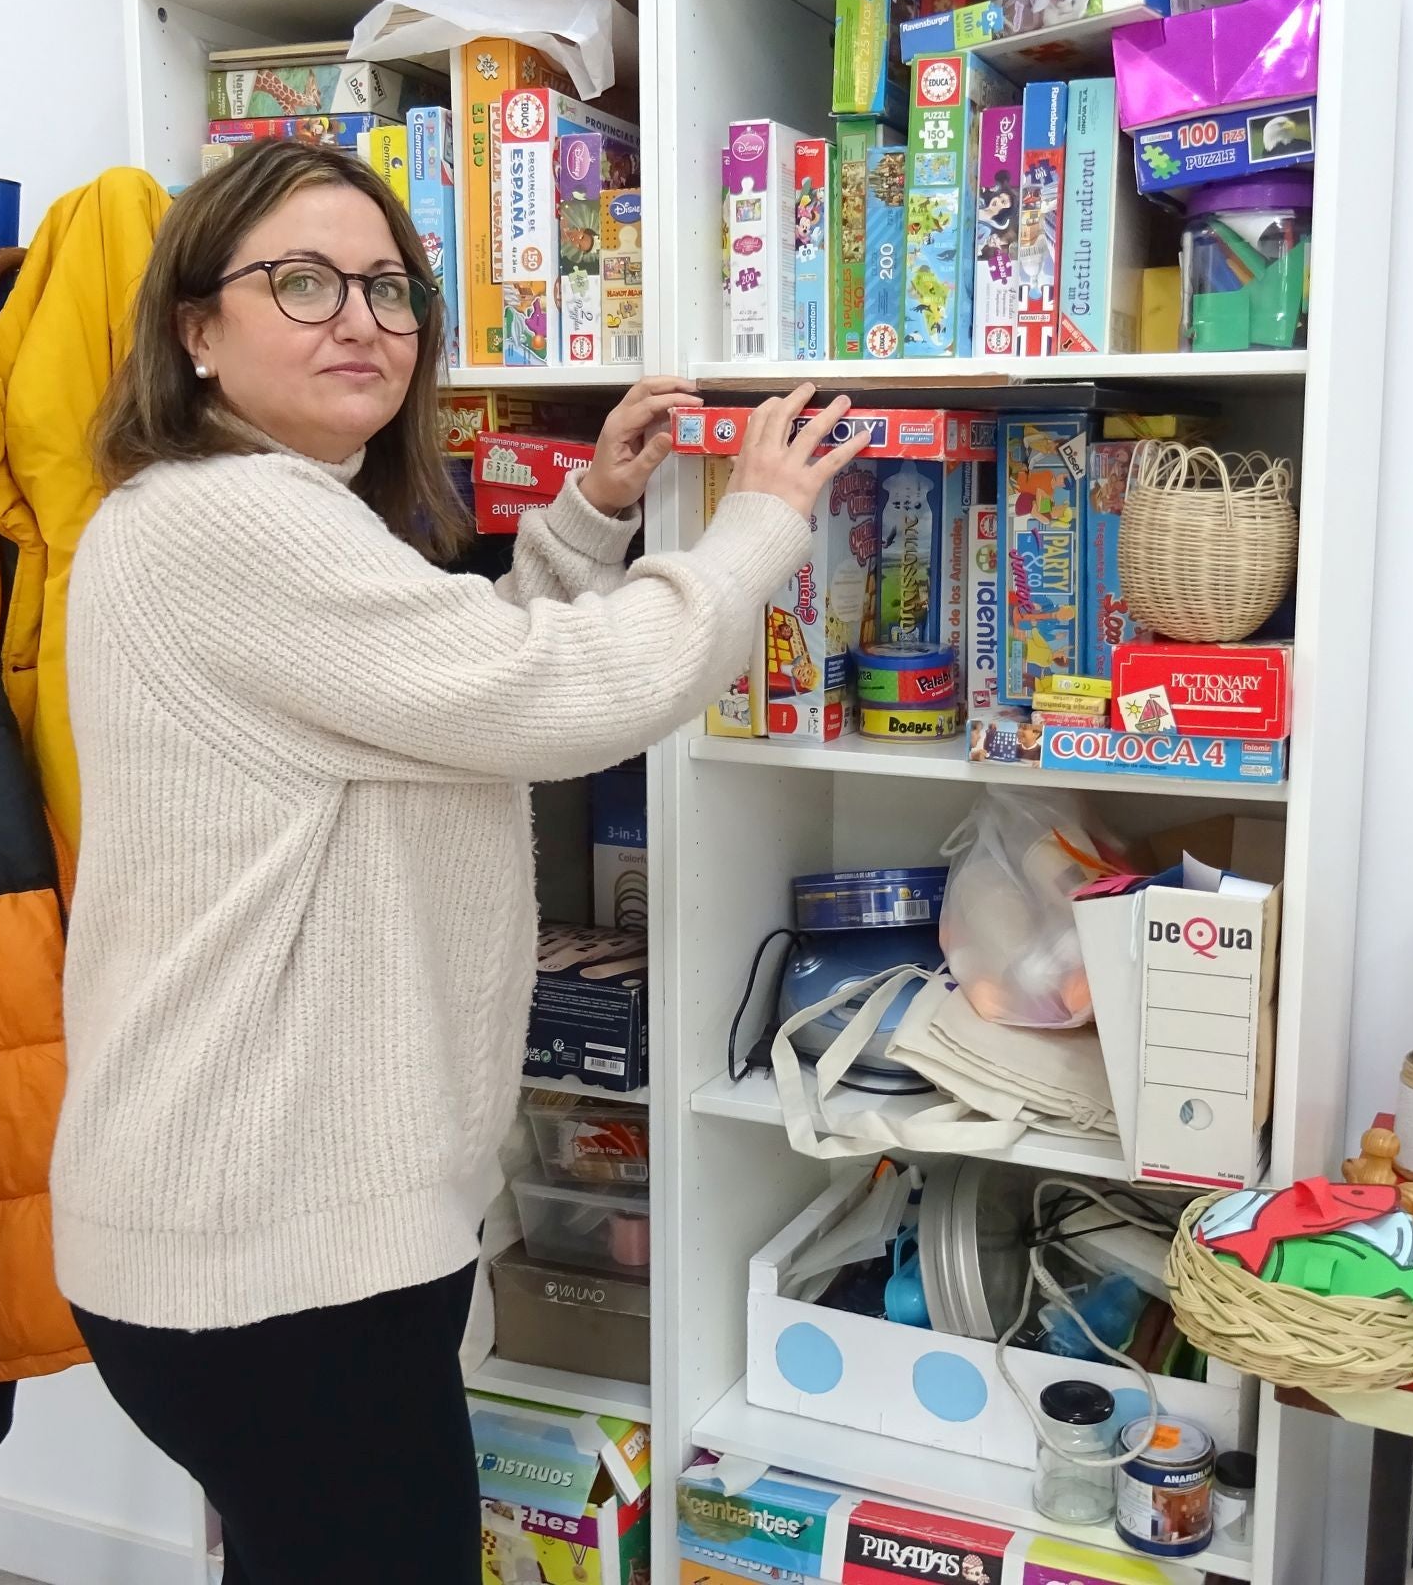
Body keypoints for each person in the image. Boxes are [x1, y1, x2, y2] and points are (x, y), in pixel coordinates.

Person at [52, 138, 866, 1582]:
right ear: (196, 329)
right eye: (301, 283)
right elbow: (558, 698)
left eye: (388, 285)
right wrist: (759, 526)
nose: (360, 318)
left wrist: (592, 518)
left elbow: (443, 688)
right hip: (270, 1253)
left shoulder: (241, 516)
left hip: (252, 1233)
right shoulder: (229, 521)